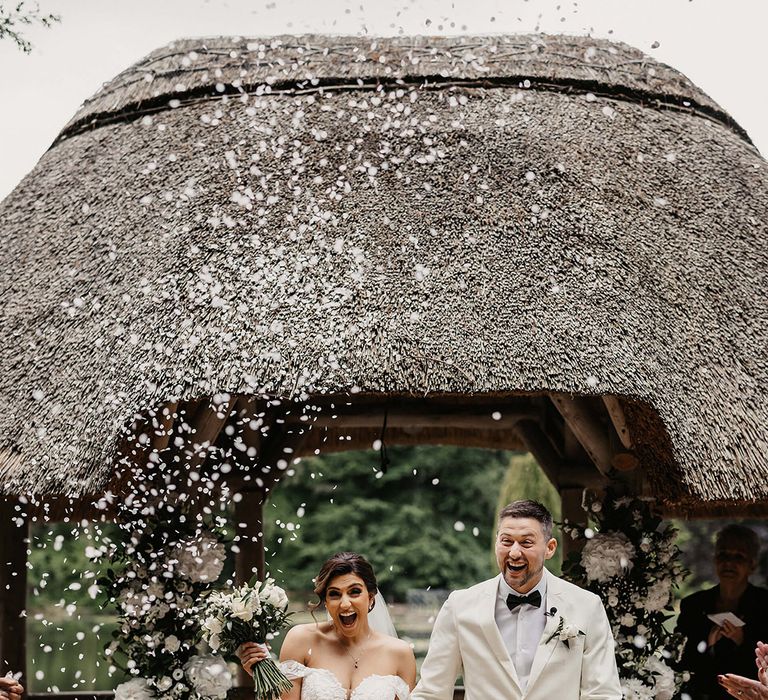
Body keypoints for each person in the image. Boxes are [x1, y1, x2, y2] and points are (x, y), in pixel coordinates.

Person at [411, 499, 621, 700]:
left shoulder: (587, 606)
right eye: (506, 541)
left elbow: (602, 694)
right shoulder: (459, 606)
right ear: (496, 543)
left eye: (526, 542)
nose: (514, 552)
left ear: (550, 548)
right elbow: (432, 692)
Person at [237, 552, 416, 699]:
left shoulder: (400, 653)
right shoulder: (301, 639)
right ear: (326, 602)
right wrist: (263, 674)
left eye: (354, 592)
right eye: (335, 594)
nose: (345, 604)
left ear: (370, 598)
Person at [676, 524, 768, 699]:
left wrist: (743, 639)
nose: (729, 563)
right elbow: (679, 661)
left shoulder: (765, 604)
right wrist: (707, 642)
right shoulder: (693, 605)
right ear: (715, 559)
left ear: (752, 564)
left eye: (738, 557)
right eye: (723, 554)